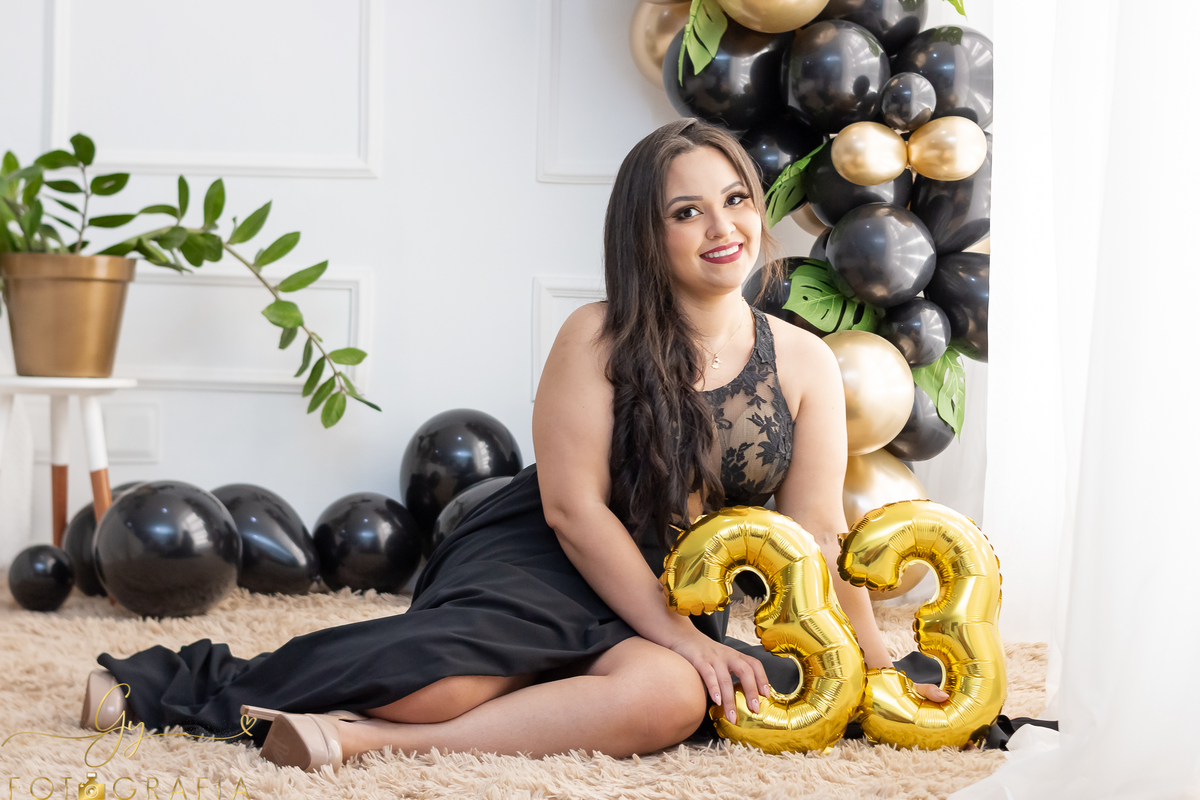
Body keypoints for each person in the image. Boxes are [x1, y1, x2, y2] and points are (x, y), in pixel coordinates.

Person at [79, 119, 947, 772]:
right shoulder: (596, 335)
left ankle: (362, 742)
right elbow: (573, 510)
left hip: (672, 586)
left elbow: (817, 544)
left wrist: (881, 674)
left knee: (675, 699)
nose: (722, 225)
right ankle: (179, 679)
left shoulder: (802, 361)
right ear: (649, 234)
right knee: (445, 686)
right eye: (688, 211)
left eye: (735, 201)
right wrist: (681, 629)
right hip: (543, 555)